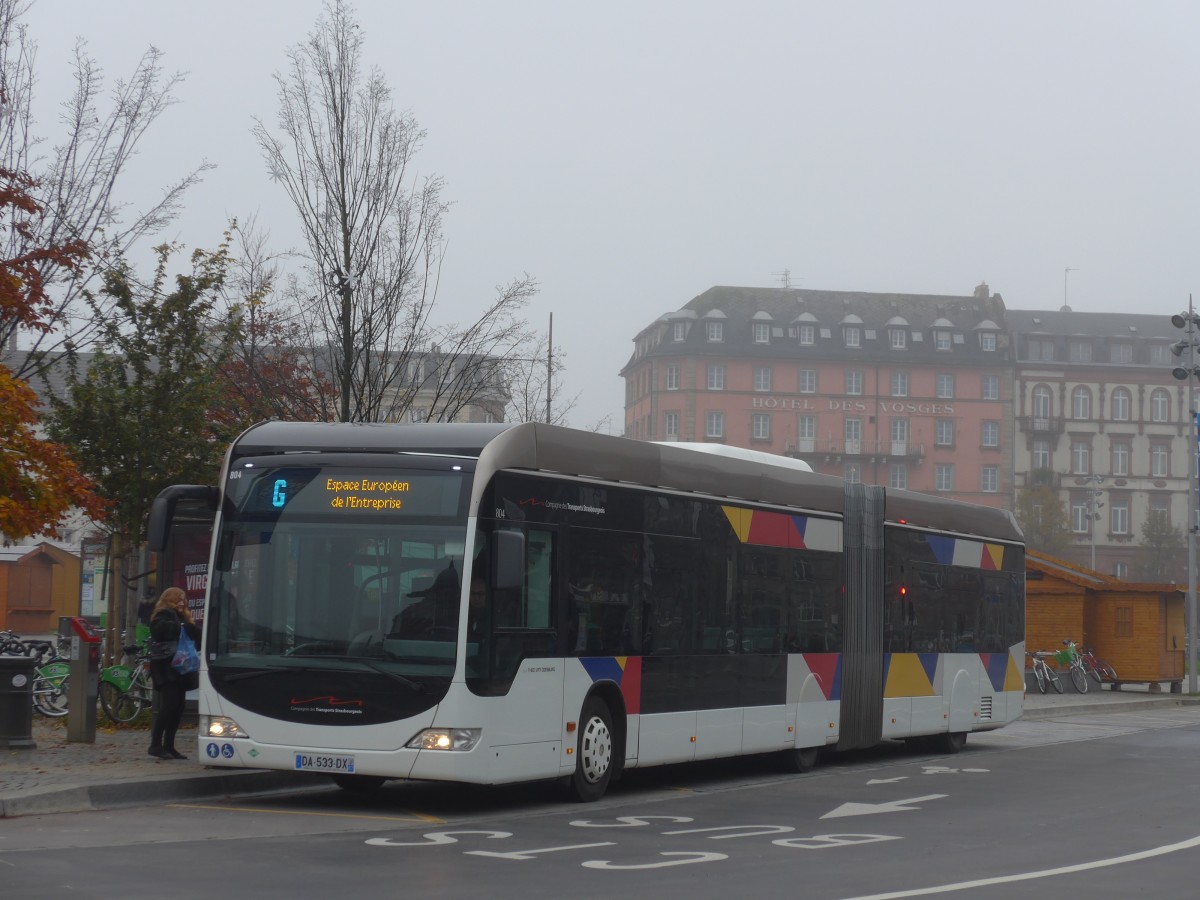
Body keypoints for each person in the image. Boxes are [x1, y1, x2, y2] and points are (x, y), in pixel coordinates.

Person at [147, 587, 201, 760]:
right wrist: (182, 625)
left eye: (184, 598)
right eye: (179, 598)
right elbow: (160, 630)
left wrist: (189, 624)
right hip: (167, 667)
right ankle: (155, 745)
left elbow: (196, 636)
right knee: (169, 706)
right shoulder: (163, 614)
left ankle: (169, 745)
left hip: (181, 668)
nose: (182, 601)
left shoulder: (183, 616)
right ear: (170, 598)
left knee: (179, 707)